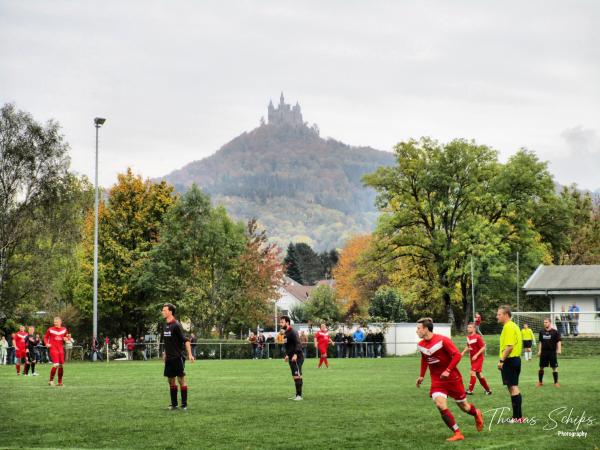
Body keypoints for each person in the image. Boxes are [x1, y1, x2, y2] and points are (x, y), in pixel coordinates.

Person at [416, 318, 483, 442]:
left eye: (418, 328)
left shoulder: (442, 340)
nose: (417, 331)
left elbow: (457, 355)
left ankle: (476, 413)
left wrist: (447, 370)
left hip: (453, 378)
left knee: (464, 406)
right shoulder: (420, 345)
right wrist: (421, 375)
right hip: (437, 380)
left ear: (426, 329)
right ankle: (457, 432)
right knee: (440, 404)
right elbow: (425, 359)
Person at [161, 303, 195, 410]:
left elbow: (186, 340)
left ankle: (184, 405)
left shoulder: (176, 325)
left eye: (164, 310)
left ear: (170, 312)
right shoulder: (165, 325)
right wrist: (165, 353)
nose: (163, 312)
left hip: (177, 357)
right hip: (169, 359)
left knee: (181, 380)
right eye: (163, 310)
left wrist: (190, 354)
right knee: (170, 381)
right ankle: (174, 404)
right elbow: (167, 342)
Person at [497, 305, 524, 422]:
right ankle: (518, 417)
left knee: (513, 388)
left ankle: (517, 417)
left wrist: (502, 360)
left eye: (499, 314)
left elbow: (509, 347)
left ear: (506, 315)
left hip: (510, 360)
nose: (497, 316)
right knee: (514, 388)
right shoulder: (514, 326)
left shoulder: (508, 327)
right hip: (515, 360)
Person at [461, 323, 491, 395]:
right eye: (468, 327)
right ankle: (488, 390)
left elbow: (483, 347)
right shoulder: (468, 337)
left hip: (478, 358)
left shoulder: (478, 337)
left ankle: (470, 390)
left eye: (470, 327)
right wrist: (462, 353)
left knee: (473, 372)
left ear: (474, 329)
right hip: (472, 358)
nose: (468, 328)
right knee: (479, 374)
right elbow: (468, 346)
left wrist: (477, 355)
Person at [279, 315, 304, 401]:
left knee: (297, 375)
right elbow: (288, 346)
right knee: (295, 376)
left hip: (297, 357)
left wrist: (296, 354)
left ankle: (299, 396)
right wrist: (287, 355)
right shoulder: (286, 333)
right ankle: (297, 394)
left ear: (287, 322)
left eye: (282, 322)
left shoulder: (293, 331)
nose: (280, 324)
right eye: (280, 322)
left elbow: (298, 343)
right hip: (291, 357)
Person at [44, 317, 71, 386]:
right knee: (56, 364)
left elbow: (67, 337)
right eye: (54, 322)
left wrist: (67, 339)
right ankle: (51, 381)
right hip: (53, 348)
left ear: (60, 322)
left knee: (61, 365)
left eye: (56, 322)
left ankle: (60, 382)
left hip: (61, 349)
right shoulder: (50, 329)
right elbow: (45, 337)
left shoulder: (64, 329)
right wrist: (47, 343)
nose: (55, 323)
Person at [537, 318, 561, 388]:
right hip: (544, 352)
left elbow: (558, 341)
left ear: (550, 323)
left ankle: (556, 382)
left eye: (546, 322)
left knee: (554, 367)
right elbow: (540, 342)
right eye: (544, 322)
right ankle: (540, 382)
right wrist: (539, 350)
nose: (545, 323)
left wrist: (559, 349)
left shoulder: (555, 332)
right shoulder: (541, 332)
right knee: (541, 367)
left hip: (552, 352)